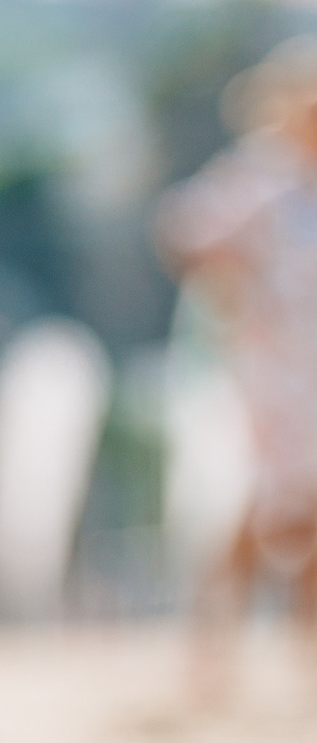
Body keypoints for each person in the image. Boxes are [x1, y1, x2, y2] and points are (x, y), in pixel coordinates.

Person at [156, 38, 317, 702]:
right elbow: (186, 235)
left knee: (303, 515)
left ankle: (297, 652)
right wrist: (229, 293)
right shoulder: (260, 174)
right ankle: (214, 652)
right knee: (259, 511)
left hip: (304, 369)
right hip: (271, 372)